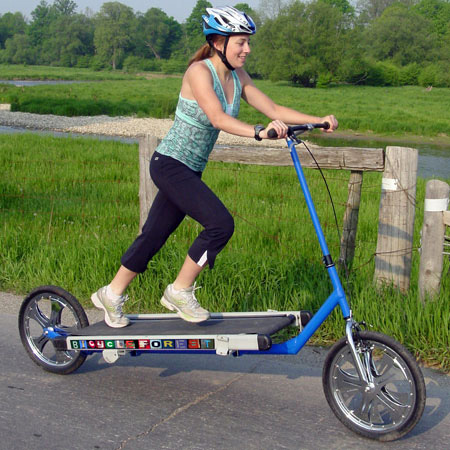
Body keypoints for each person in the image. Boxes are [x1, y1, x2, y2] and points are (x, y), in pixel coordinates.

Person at [91, 6, 338, 328]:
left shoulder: (237, 76)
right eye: (240, 42)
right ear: (219, 42)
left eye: (248, 42)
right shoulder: (199, 72)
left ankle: (111, 294)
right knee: (221, 225)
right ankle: (179, 290)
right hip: (169, 164)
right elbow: (217, 118)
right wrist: (258, 133)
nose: (247, 49)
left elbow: (273, 107)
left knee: (153, 236)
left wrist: (317, 120)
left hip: (189, 170)